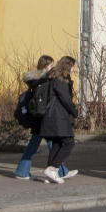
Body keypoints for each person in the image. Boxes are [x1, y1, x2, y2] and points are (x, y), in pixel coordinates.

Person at [14, 56, 73, 181]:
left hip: (39, 117)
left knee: (51, 144)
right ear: (46, 66)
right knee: (44, 145)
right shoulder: (45, 80)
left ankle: (59, 170)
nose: (53, 67)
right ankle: (26, 171)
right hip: (43, 118)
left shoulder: (36, 80)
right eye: (51, 65)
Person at [37, 56, 78, 185]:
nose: (74, 69)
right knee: (68, 143)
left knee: (57, 143)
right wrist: (74, 112)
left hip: (52, 117)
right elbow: (65, 99)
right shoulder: (60, 80)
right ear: (68, 67)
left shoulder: (54, 77)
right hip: (57, 117)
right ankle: (52, 169)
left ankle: (51, 173)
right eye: (73, 67)